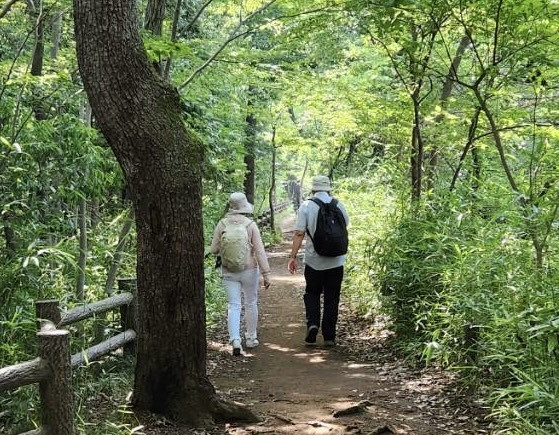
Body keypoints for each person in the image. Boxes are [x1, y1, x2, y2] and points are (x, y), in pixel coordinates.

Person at [288, 176, 349, 347]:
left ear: (313, 189)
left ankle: (313, 324)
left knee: (312, 293)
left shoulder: (307, 205)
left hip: (314, 260)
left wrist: (292, 257)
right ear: (328, 188)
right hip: (337, 260)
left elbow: (299, 233)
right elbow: (346, 225)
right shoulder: (338, 204)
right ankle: (329, 336)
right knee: (332, 296)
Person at [211, 192, 272, 356]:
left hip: (229, 270)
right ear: (244, 206)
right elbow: (259, 251)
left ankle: (235, 340)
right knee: (251, 302)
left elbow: (214, 249)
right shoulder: (250, 224)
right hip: (249, 270)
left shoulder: (222, 224)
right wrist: (266, 273)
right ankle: (251, 338)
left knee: (233, 305)